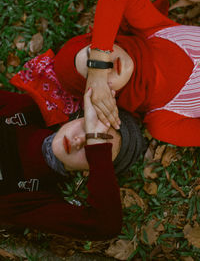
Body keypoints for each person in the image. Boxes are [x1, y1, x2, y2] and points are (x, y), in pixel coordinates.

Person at [10, 0, 200, 147]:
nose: (105, 67)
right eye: (91, 80)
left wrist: (98, 69)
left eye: (91, 56)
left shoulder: (151, 30)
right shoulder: (162, 122)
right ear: (104, 99)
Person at [0, 86, 145, 239]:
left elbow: (105, 226)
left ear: (92, 170)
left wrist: (97, 147)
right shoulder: (24, 112)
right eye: (87, 127)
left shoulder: (36, 199)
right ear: (79, 117)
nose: (79, 140)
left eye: (92, 147)